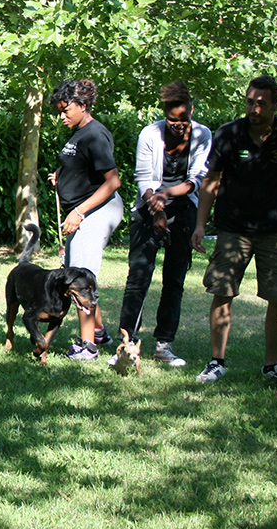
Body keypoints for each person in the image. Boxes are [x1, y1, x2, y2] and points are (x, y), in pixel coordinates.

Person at [191, 75, 277, 384]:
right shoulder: (229, 134)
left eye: (261, 103)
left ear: (275, 106)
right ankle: (217, 361)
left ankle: (272, 365)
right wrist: (201, 224)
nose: (254, 108)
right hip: (233, 229)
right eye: (250, 102)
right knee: (221, 292)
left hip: (275, 231)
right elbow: (211, 181)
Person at [115, 82, 212, 367]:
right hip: (148, 207)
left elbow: (197, 179)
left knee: (174, 280)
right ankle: (127, 342)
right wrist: (154, 206)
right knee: (138, 278)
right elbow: (143, 177)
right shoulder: (150, 134)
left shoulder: (204, 135)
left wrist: (165, 196)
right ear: (164, 115)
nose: (178, 125)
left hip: (183, 210)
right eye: (172, 119)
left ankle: (164, 344)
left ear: (191, 112)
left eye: (184, 119)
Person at [48, 78, 124, 361]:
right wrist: (61, 177)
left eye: (66, 110)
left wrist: (79, 213)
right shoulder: (79, 132)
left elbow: (112, 181)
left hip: (97, 209)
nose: (62, 116)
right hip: (83, 209)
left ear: (82, 105)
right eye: (60, 111)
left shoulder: (95, 134)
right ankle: (100, 332)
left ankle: (87, 345)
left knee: (79, 277)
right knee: (77, 270)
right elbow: (81, 166)